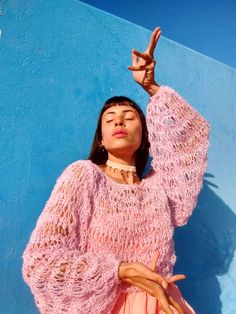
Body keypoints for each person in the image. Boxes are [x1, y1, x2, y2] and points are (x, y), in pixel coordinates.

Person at [22, 27, 210, 314]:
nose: (119, 121)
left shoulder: (160, 188)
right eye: (110, 119)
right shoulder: (83, 175)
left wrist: (152, 88)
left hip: (167, 306)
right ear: (101, 137)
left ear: (146, 134)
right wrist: (120, 271)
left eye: (129, 117)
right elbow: (41, 262)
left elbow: (190, 140)